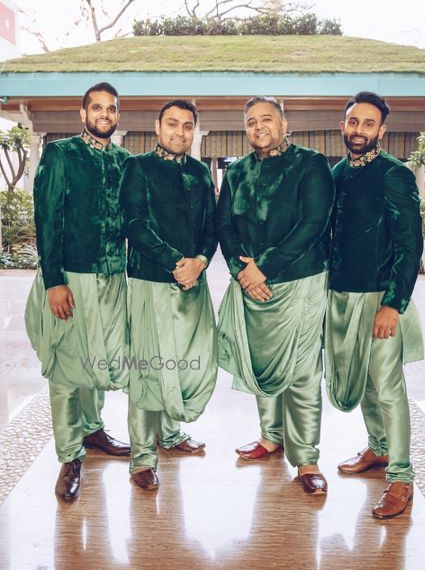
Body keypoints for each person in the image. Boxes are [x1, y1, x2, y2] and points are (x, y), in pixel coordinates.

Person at [216, 96, 335, 494]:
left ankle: (307, 458)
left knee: (302, 372)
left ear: (285, 123)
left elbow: (313, 223)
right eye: (251, 121)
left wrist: (263, 266)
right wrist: (240, 269)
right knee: (262, 362)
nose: (258, 127)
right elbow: (224, 225)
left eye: (267, 119)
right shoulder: (237, 172)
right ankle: (271, 436)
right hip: (252, 284)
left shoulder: (311, 164)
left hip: (299, 280)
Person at [25, 82, 131, 502]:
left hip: (112, 278)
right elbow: (46, 217)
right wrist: (54, 280)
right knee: (68, 367)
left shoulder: (125, 162)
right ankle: (70, 457)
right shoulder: (61, 154)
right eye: (97, 108)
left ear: (118, 115)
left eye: (111, 108)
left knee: (98, 358)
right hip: (70, 277)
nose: (104, 114)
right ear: (83, 114)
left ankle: (93, 431)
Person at [324, 91, 424, 518]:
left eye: (368, 123)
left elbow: (410, 242)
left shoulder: (394, 174)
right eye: (352, 122)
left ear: (381, 130)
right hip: (340, 295)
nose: (358, 130)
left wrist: (393, 303)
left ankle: (401, 477)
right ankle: (379, 450)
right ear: (342, 125)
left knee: (387, 387)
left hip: (380, 296)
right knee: (363, 382)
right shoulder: (336, 173)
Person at [120, 99, 218, 491]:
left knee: (182, 359)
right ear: (157, 126)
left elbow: (212, 228)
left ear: (195, 130)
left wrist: (201, 260)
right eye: (172, 124)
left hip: (194, 281)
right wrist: (177, 263)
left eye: (188, 126)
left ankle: (172, 434)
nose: (180, 132)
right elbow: (134, 223)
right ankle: (142, 457)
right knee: (147, 366)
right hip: (151, 280)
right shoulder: (138, 167)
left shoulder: (199, 171)